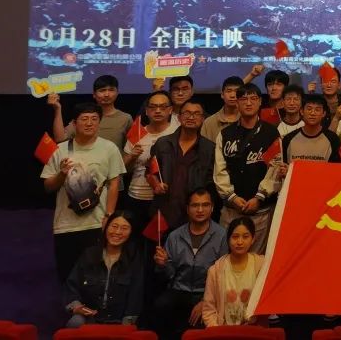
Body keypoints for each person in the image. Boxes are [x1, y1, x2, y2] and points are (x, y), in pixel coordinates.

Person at [43, 103, 128, 282]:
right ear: (74, 123)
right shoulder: (60, 150)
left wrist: (109, 216)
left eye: (94, 119)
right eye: (84, 119)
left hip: (97, 223)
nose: (89, 123)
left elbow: (114, 184)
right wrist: (61, 174)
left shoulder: (109, 148)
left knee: (95, 276)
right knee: (67, 275)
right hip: (66, 223)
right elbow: (48, 186)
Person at [150, 188, 227, 340]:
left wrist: (205, 301)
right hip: (179, 290)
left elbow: (224, 274)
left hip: (206, 293)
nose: (200, 210)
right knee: (159, 307)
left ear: (212, 208)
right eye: (195, 205)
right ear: (187, 208)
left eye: (205, 205)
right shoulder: (175, 236)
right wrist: (163, 264)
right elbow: (169, 275)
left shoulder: (221, 235)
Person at [213, 84, 281, 253]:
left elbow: (274, 170)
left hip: (261, 210)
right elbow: (219, 170)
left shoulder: (272, 133)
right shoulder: (225, 134)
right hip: (231, 209)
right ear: (237, 103)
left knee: (257, 260)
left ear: (260, 102)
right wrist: (232, 197)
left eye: (253, 99)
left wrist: (259, 197)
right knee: (226, 257)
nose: (248, 103)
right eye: (243, 99)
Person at [63, 211, 144, 327]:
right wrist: (77, 307)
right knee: (75, 322)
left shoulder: (134, 259)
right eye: (114, 226)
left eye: (124, 228)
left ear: (131, 232)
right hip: (90, 318)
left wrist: (128, 322)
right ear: (106, 228)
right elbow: (72, 286)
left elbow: (136, 293)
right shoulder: (89, 254)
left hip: (119, 321)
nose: (117, 232)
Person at [150, 102, 215, 233]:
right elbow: (150, 171)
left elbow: (212, 182)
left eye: (196, 114)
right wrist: (156, 184)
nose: (191, 117)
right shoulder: (163, 143)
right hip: (164, 211)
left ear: (203, 119)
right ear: (179, 117)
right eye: (187, 113)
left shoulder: (210, 148)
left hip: (195, 213)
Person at [121, 91, 177, 224]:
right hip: (137, 195)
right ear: (146, 111)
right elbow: (122, 169)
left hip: (167, 197)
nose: (157, 111)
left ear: (170, 110)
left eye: (163, 107)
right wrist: (131, 156)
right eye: (153, 107)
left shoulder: (177, 132)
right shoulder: (137, 132)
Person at [201, 217, 265, 327]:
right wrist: (218, 331)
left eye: (245, 237)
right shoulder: (215, 271)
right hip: (223, 331)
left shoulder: (262, 266)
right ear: (228, 239)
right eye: (235, 237)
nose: (240, 242)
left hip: (254, 330)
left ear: (253, 239)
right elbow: (208, 310)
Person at [50, 75, 132, 149]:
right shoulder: (84, 116)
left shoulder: (126, 118)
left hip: (115, 160)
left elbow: (130, 149)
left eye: (111, 90)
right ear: (94, 94)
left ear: (117, 93)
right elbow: (60, 138)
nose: (107, 94)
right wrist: (57, 109)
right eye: (102, 90)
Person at [280, 94, 341, 164]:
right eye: (309, 109)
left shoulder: (333, 139)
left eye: (317, 110)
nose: (312, 113)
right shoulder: (288, 139)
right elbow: (283, 165)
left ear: (324, 113)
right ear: (302, 111)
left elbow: (336, 168)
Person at [200, 77, 243, 142]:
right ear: (222, 94)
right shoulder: (209, 123)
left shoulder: (249, 120)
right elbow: (203, 147)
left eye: (237, 91)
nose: (232, 95)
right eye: (229, 91)